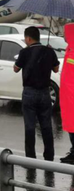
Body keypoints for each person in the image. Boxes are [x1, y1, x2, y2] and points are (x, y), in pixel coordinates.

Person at [14, 26, 59, 161]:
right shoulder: (49, 51)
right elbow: (56, 69)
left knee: (29, 126)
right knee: (46, 126)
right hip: (45, 93)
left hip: (29, 93)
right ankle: (49, 157)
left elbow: (16, 69)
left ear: (28, 38)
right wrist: (49, 53)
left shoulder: (24, 52)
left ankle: (30, 158)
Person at [61, 24, 74, 164]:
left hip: (72, 95)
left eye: (66, 33)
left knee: (73, 125)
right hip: (68, 94)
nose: (64, 36)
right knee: (71, 124)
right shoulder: (69, 48)